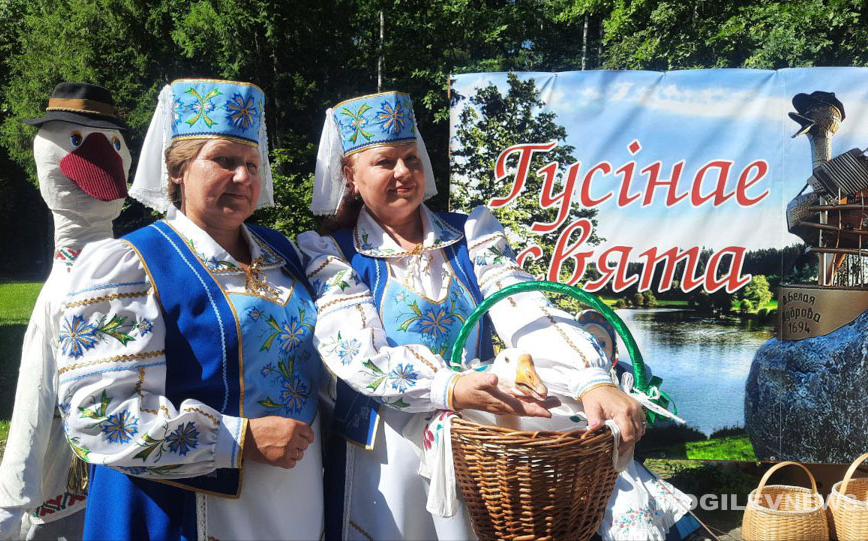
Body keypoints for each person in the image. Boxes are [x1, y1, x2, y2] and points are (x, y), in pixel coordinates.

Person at [298, 91, 646, 540]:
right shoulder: (331, 254)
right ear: (350, 175)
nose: (404, 172)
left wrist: (590, 376)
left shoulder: (470, 235)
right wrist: (448, 386)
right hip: (385, 453)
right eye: (386, 162)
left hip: (479, 441)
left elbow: (522, 304)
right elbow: (351, 347)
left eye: (412, 159)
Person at [56, 78, 322, 540]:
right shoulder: (131, 264)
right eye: (224, 160)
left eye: (253, 164)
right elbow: (97, 418)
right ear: (177, 171)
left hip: (295, 495)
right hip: (188, 507)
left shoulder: (281, 252)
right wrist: (238, 441)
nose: (243, 178)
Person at [0, 82, 132, 541]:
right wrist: (12, 493)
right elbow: (35, 391)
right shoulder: (62, 292)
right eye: (76, 139)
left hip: (137, 464)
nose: (103, 156)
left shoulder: (135, 263)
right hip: (75, 480)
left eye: (112, 143)